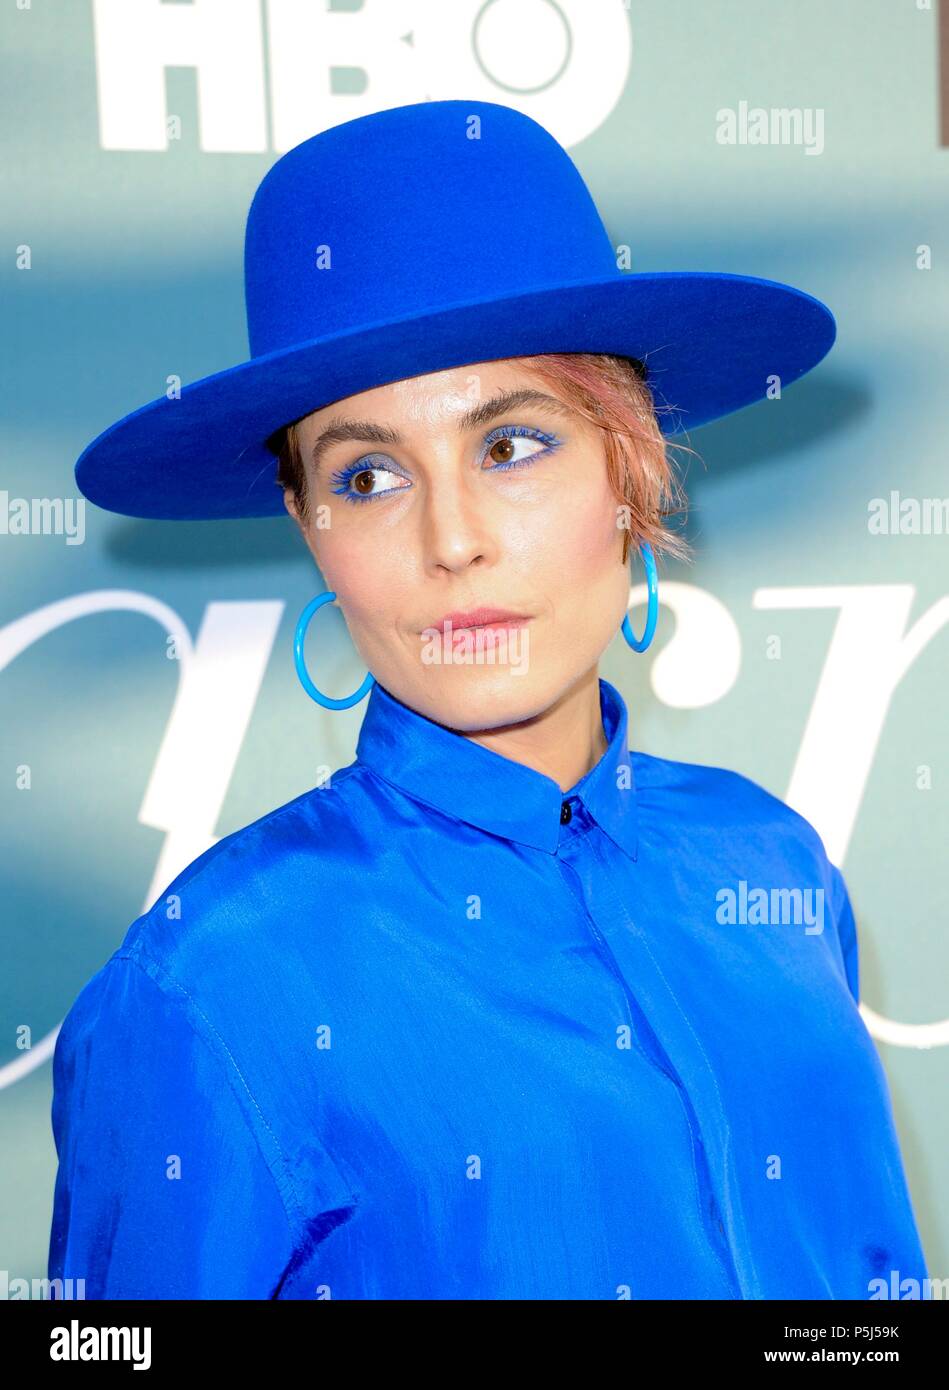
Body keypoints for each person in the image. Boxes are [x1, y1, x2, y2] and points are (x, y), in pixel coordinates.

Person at [48, 99, 929, 1300]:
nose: (451, 539)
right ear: (311, 532)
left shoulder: (768, 861)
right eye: (365, 476)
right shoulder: (210, 987)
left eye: (511, 446)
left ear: (630, 468)